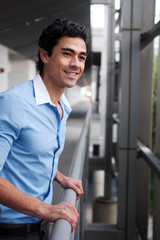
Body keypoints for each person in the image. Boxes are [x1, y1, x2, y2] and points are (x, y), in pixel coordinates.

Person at [0, 18, 88, 239]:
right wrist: (47, 210)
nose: (76, 63)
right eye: (67, 54)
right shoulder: (14, 103)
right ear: (45, 55)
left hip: (38, 227)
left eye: (81, 57)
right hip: (10, 230)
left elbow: (30, 151)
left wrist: (59, 177)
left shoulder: (62, 106)